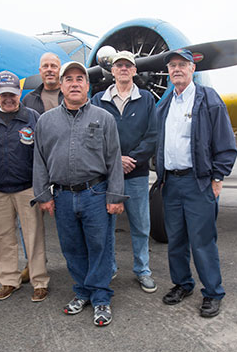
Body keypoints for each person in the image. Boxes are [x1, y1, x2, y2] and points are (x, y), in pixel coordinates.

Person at [32, 61, 126, 327]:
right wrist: (43, 195)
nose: (74, 83)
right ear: (61, 86)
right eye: (69, 79)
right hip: (61, 196)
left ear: (88, 85)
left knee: (100, 246)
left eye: (79, 79)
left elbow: (114, 159)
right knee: (71, 247)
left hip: (95, 193)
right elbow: (39, 161)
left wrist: (115, 196)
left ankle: (100, 297)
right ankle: (82, 291)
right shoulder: (45, 121)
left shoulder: (104, 118)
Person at [155, 48, 237, 318]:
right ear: (167, 72)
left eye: (182, 65)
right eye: (172, 66)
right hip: (171, 183)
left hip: (198, 182)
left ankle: (213, 293)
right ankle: (182, 284)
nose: (176, 69)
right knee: (176, 240)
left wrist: (217, 176)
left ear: (193, 69)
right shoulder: (165, 105)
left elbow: (225, 143)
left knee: (202, 241)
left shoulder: (208, 99)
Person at [0, 71, 50, 303]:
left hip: (27, 188)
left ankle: (39, 281)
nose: (8, 98)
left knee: (34, 237)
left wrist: (43, 188)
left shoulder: (33, 117)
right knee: (1, 237)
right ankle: (8, 280)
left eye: (13, 94)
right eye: (3, 94)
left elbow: (44, 154)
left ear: (20, 93)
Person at [91, 50, 158, 293]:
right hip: (107, 176)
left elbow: (153, 135)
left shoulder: (147, 99)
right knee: (105, 226)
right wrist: (115, 160)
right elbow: (94, 135)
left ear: (134, 70)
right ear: (112, 70)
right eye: (119, 65)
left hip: (137, 175)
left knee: (141, 225)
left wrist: (133, 159)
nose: (123, 69)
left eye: (128, 65)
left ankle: (143, 270)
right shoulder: (98, 99)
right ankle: (109, 268)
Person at [20, 51, 63, 284]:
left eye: (53, 66)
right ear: (40, 71)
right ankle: (32, 264)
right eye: (45, 66)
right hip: (38, 167)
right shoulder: (28, 100)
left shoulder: (72, 94)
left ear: (59, 70)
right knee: (31, 223)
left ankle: (78, 262)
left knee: (69, 220)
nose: (49, 69)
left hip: (66, 166)